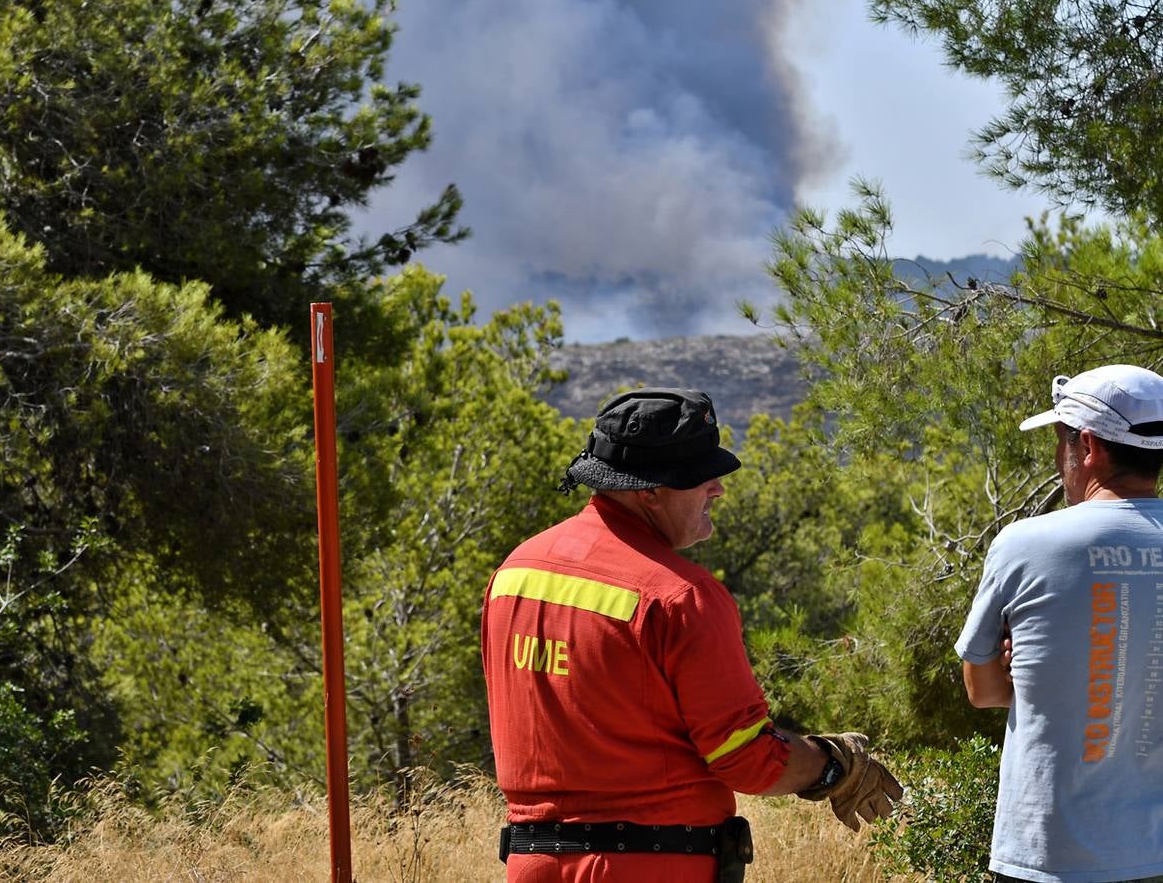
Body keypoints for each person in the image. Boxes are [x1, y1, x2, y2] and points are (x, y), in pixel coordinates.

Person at [481, 388, 902, 883]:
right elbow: (748, 759)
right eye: (701, 478)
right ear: (651, 491)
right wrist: (834, 766)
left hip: (532, 866)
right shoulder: (681, 596)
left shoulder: (514, 572)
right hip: (647, 868)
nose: (718, 489)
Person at [956, 364, 1163, 883]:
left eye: (1060, 443)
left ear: (1087, 447)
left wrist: (1029, 677)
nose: (1058, 460)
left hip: (1047, 854)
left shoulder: (1026, 544)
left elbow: (982, 691)